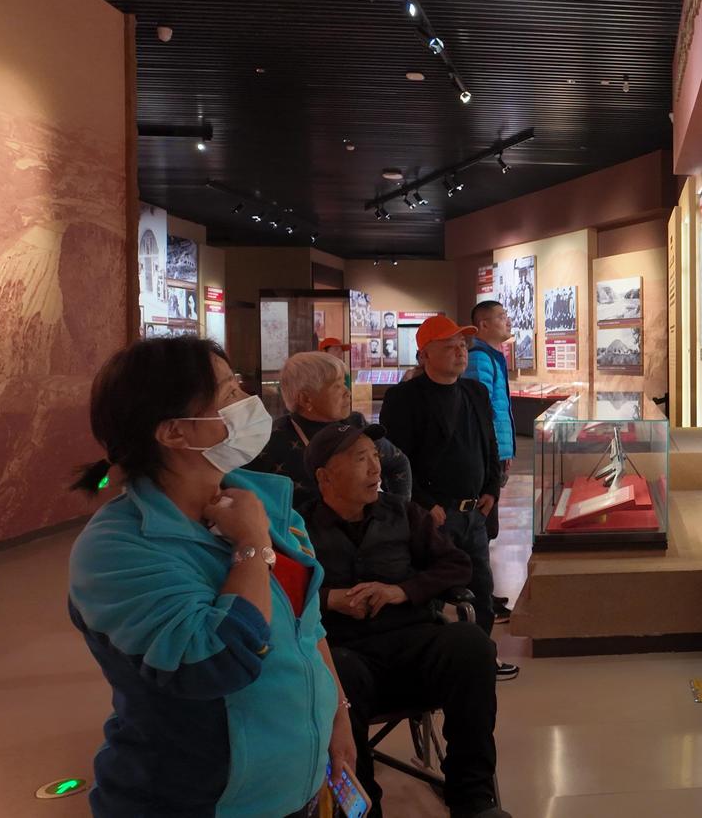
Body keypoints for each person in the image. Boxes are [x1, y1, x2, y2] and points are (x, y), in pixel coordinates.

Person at [67, 336, 354, 818]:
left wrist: (337, 715)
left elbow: (309, 628)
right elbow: (216, 662)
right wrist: (251, 547)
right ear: (174, 433)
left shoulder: (265, 502)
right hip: (201, 801)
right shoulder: (117, 549)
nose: (249, 401)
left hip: (295, 788)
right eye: (228, 394)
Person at [302, 423, 509, 818]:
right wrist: (330, 598)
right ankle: (363, 810)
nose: (375, 468)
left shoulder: (402, 513)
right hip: (345, 652)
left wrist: (402, 590)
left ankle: (473, 798)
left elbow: (457, 565)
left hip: (412, 641)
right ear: (325, 477)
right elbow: (280, 593)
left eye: (375, 456)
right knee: (335, 673)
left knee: (471, 645)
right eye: (360, 459)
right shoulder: (299, 527)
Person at [380, 316, 518, 680]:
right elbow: (396, 460)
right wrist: (424, 504)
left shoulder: (474, 392)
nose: (460, 352)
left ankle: (482, 657)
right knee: (434, 590)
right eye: (449, 346)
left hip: (474, 513)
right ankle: (439, 662)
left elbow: (489, 444)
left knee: (482, 588)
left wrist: (491, 489)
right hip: (434, 516)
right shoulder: (404, 398)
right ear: (425, 354)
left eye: (462, 345)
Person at [246, 350, 411, 506]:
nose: (347, 392)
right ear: (306, 399)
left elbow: (398, 463)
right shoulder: (272, 441)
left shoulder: (355, 425)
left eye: (344, 383)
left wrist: (400, 512)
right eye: (337, 386)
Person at [464, 301, 517, 624]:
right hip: (487, 454)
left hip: (495, 453)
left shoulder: (492, 357)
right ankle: (478, 596)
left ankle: (482, 591)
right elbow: (481, 410)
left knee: (487, 527)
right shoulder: (480, 358)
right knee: (481, 525)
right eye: (500, 317)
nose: (507, 321)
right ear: (483, 324)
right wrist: (492, 453)